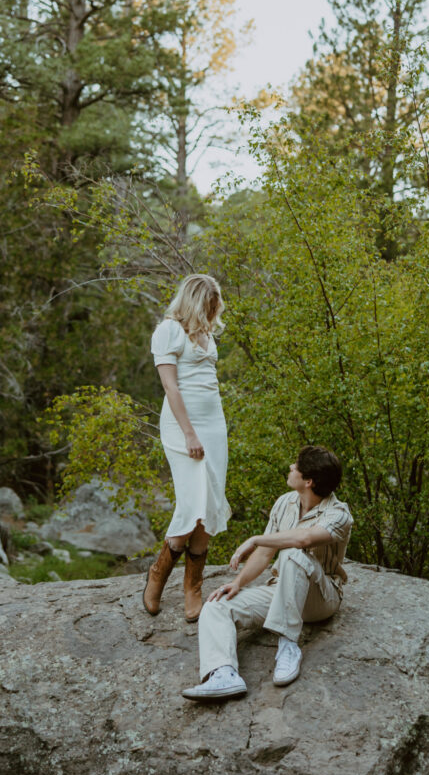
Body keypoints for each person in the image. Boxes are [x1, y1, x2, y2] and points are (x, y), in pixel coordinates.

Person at [181, 445, 352, 702]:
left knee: (294, 553)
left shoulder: (339, 514)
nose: (290, 468)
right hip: (281, 590)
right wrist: (238, 583)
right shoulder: (285, 502)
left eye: (296, 466)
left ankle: (288, 644)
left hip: (321, 598)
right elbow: (263, 554)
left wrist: (256, 538)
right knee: (217, 604)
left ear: (308, 481)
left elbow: (304, 539)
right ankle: (223, 674)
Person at [143, 273, 230, 623]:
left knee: (210, 505)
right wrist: (190, 434)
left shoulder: (206, 332)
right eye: (209, 306)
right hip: (183, 426)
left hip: (214, 425)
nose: (213, 313)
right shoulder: (168, 331)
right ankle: (158, 575)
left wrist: (207, 432)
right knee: (192, 504)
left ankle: (192, 587)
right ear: (195, 302)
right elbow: (171, 388)